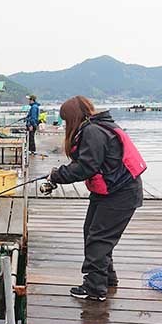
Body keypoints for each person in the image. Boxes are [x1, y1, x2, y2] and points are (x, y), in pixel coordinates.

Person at [47, 95, 146, 301]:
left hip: (121, 193)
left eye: (66, 120)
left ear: (73, 117)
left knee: (99, 237)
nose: (66, 124)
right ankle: (107, 278)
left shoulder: (92, 130)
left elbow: (86, 166)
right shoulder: (98, 126)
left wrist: (57, 175)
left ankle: (94, 288)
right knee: (93, 233)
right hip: (113, 190)